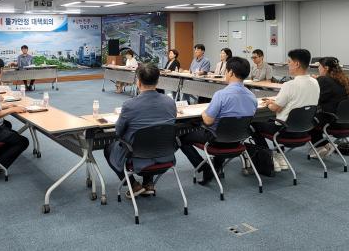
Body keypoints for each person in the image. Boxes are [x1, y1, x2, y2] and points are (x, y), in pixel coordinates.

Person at [179, 57, 257, 184]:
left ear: (231, 72)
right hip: (238, 140)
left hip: (216, 140)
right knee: (223, 130)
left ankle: (205, 168)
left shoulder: (221, 95)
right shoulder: (253, 97)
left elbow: (208, 121)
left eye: (226, 71)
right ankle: (217, 167)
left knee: (181, 138)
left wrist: (204, 112)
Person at [104, 63, 177, 198]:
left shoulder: (129, 105)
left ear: (138, 82)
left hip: (137, 157)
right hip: (165, 155)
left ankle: (133, 185)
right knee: (153, 137)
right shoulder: (170, 102)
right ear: (158, 81)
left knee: (109, 149)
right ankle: (148, 183)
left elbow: (118, 132)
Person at [252, 49, 320, 172]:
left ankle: (269, 156)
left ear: (297, 64)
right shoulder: (315, 82)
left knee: (253, 124)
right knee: (273, 119)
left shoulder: (289, 85)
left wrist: (269, 103)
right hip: (305, 130)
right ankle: (277, 154)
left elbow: (275, 108)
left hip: (285, 131)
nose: (288, 64)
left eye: (289, 62)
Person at [309, 57, 349, 158]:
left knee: (308, 117)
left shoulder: (324, 80)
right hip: (348, 122)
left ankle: (320, 146)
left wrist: (315, 82)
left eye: (319, 66)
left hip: (333, 122)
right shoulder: (346, 80)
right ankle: (325, 144)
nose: (318, 68)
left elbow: (314, 99)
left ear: (326, 68)